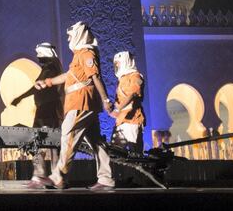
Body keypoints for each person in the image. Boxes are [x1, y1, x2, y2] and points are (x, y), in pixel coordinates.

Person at [34, 21, 115, 191]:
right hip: (83, 103)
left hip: (81, 102)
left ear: (79, 35)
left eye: (71, 35)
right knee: (96, 142)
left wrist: (106, 100)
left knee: (69, 135)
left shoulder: (86, 53)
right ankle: (106, 178)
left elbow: (95, 77)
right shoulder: (79, 54)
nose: (69, 38)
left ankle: (58, 175)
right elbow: (69, 76)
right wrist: (47, 82)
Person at [10, 42, 64, 189]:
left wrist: (20, 97)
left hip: (47, 110)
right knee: (50, 143)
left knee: (40, 140)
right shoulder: (51, 67)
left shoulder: (50, 68)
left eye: (40, 55)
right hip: (47, 109)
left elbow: (38, 86)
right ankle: (54, 176)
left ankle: (42, 176)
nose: (38, 57)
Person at [110, 51, 145, 154]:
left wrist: (118, 108)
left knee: (132, 152)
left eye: (118, 63)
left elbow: (133, 94)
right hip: (121, 119)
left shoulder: (136, 76)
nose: (116, 65)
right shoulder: (121, 79)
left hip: (132, 119)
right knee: (115, 151)